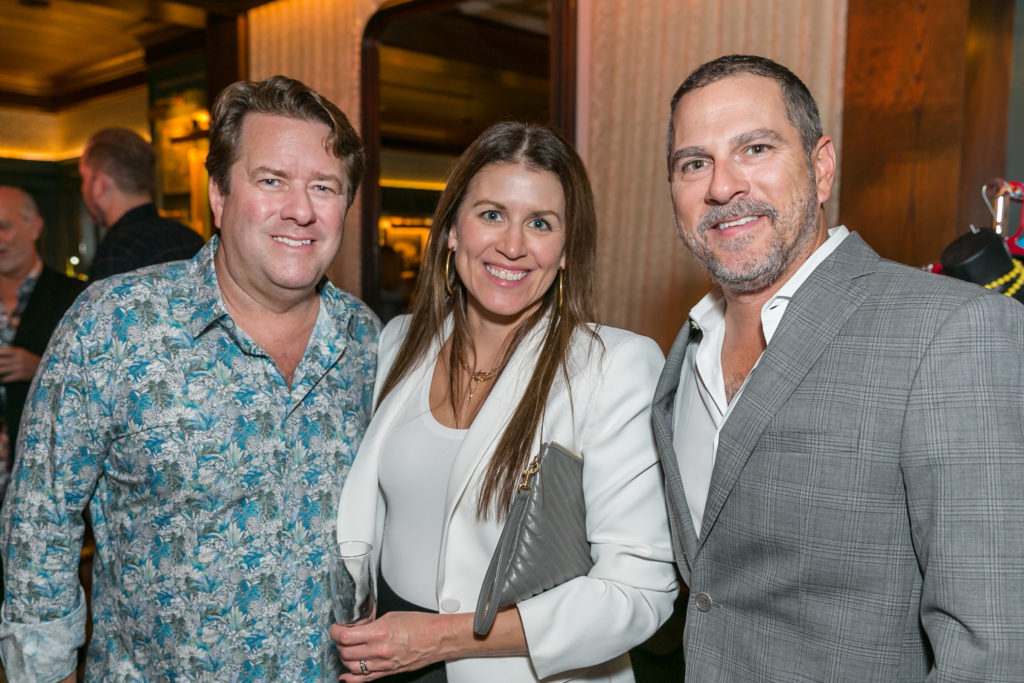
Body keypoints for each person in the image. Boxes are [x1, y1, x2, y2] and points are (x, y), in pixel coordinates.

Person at [654, 54, 1024, 681]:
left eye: (755, 148)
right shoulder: (683, 354)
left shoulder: (953, 329)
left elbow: (993, 647)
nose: (722, 187)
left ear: (821, 167)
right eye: (695, 163)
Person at [0, 75, 380, 682]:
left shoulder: (366, 340)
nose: (301, 209)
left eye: (324, 187)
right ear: (220, 195)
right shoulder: (114, 324)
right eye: (271, 180)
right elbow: (40, 522)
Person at [333, 121, 678, 683]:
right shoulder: (399, 341)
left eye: (539, 223)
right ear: (450, 231)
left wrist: (443, 639)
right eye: (491, 214)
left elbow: (639, 593)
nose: (512, 245)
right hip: (388, 663)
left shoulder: (613, 367)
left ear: (566, 250)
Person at [0, 186, 85, 497]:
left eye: (3, 227)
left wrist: (38, 367)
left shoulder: (74, 297)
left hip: (44, 482)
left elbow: (99, 387)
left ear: (34, 227)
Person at [79, 127, 205, 280]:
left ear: (100, 184)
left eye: (84, 178)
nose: (82, 189)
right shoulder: (191, 238)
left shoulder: (118, 253)